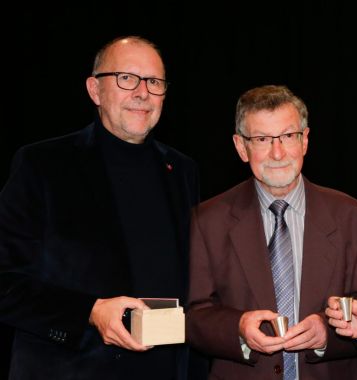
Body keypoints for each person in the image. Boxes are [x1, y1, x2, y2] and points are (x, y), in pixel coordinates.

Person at [0, 36, 207, 379]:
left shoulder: (183, 170)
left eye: (154, 82)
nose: (142, 92)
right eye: (127, 78)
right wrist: (90, 312)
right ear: (95, 91)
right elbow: (5, 281)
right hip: (75, 369)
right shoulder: (43, 165)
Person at [185, 84, 357, 379]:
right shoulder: (207, 220)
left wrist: (333, 332)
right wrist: (238, 328)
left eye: (288, 136)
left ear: (305, 141)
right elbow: (194, 316)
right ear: (241, 147)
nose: (277, 153)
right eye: (262, 138)